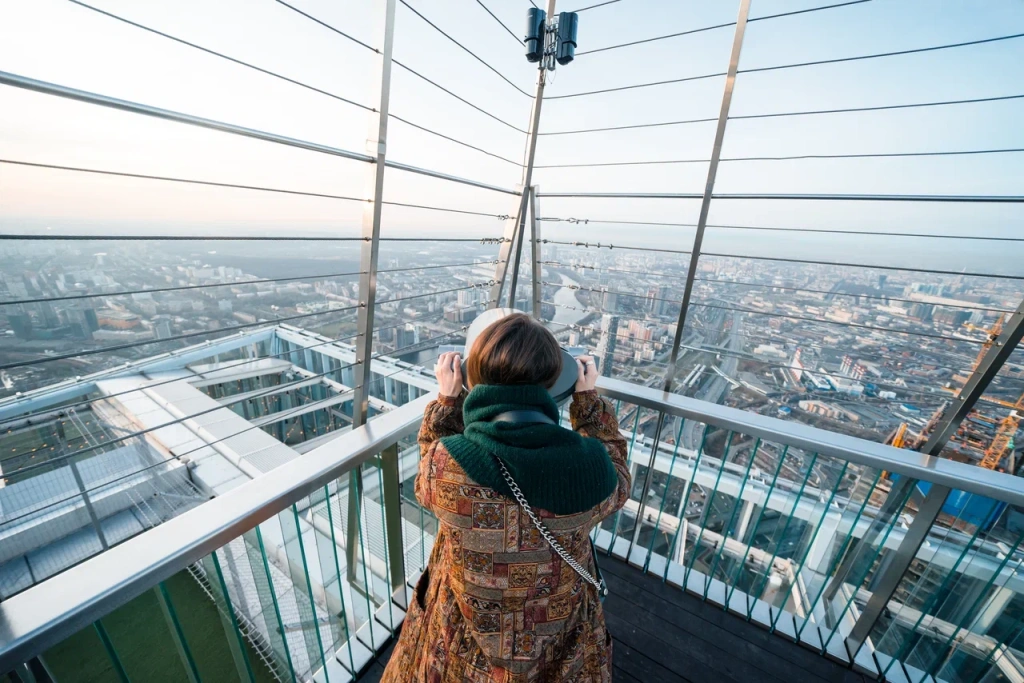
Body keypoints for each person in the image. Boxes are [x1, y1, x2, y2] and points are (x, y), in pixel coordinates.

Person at [382, 313, 630, 683]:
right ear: (552, 381)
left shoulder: (445, 466)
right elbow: (618, 476)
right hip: (561, 640)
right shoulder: (592, 469)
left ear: (473, 377)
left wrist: (447, 402)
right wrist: (588, 404)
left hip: (460, 639)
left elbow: (425, 474)